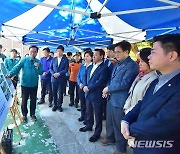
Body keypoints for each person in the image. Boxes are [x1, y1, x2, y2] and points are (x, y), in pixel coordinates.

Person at [121, 34, 180, 154]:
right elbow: (143, 103)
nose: (148, 57)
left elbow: (162, 123)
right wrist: (126, 119)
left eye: (153, 52)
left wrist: (130, 128)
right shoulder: (158, 80)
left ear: (172, 55)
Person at [102, 40, 138, 154]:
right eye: (115, 52)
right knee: (109, 121)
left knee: (119, 125)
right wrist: (108, 88)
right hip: (111, 98)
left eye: (118, 52)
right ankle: (110, 138)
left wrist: (109, 88)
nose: (115, 54)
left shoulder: (132, 65)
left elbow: (125, 83)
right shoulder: (118, 63)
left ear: (126, 52)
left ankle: (121, 148)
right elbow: (112, 80)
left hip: (120, 100)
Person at [79, 49, 110, 143]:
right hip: (88, 93)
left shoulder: (104, 68)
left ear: (101, 56)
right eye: (93, 55)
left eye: (96, 55)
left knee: (98, 115)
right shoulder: (91, 66)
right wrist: (84, 85)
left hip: (97, 95)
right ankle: (89, 126)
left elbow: (101, 82)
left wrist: (89, 87)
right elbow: (86, 78)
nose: (93, 57)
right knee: (89, 111)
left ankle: (97, 133)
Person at [6, 45, 43, 122]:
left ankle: (32, 114)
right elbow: (17, 67)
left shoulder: (38, 62)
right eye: (31, 51)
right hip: (25, 84)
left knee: (33, 100)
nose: (33, 53)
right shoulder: (24, 60)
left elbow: (41, 72)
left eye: (35, 52)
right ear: (29, 52)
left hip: (34, 84)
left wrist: (38, 68)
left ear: (37, 53)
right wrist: (10, 74)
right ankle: (24, 115)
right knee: (24, 100)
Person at [123, 48, 158, 114]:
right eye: (139, 61)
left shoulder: (154, 80)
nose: (139, 64)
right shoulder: (139, 76)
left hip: (138, 115)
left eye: (142, 61)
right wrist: (126, 109)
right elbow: (131, 94)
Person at [50, 45, 69, 112]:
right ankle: (55, 105)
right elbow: (51, 68)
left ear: (63, 52)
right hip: (54, 78)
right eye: (57, 51)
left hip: (61, 79)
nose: (58, 52)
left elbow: (66, 69)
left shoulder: (65, 60)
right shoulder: (54, 59)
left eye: (60, 51)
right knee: (54, 92)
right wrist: (53, 74)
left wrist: (59, 73)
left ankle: (59, 105)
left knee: (60, 93)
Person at [77, 50, 93, 122]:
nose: (86, 58)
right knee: (82, 103)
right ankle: (82, 115)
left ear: (91, 57)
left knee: (88, 105)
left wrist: (87, 86)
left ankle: (87, 118)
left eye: (88, 56)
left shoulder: (93, 66)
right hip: (81, 87)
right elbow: (78, 76)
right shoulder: (82, 66)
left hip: (88, 89)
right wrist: (80, 83)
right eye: (85, 56)